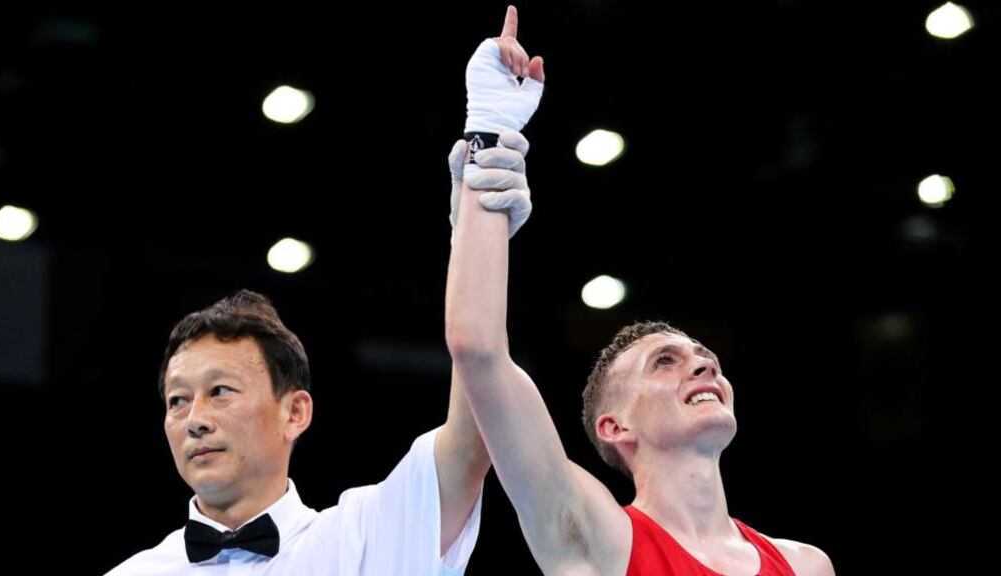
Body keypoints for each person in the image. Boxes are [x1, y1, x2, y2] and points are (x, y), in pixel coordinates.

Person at [445, 6, 836, 575]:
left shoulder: (806, 565)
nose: (704, 368)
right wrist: (487, 130)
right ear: (615, 427)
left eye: (705, 359)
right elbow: (479, 351)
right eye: (666, 362)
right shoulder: (594, 537)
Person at [107, 289, 487, 575]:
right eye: (178, 400)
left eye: (220, 391)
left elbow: (472, 439)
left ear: (294, 413)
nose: (195, 419)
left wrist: (477, 224)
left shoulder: (363, 539)